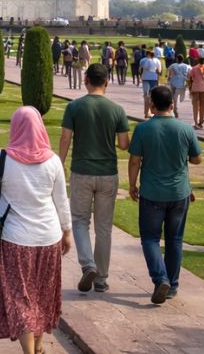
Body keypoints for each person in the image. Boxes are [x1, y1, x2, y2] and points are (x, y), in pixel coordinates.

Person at [0, 106, 72, 352]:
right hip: (48, 236)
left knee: (19, 297)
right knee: (43, 295)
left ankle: (30, 350)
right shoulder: (53, 161)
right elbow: (61, 200)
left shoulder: (1, 158)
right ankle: (38, 346)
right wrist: (67, 232)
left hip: (14, 238)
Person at [58, 63, 129, 294]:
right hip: (108, 173)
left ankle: (88, 264)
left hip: (82, 170)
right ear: (106, 82)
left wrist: (59, 163)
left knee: (79, 220)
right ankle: (101, 278)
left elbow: (66, 138)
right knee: (104, 227)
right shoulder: (117, 110)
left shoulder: (75, 106)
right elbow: (123, 144)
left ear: (86, 79)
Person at [128, 85, 202, 304]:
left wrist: (132, 185)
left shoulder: (143, 129)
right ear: (172, 105)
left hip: (152, 192)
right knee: (175, 239)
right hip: (179, 192)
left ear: (151, 105)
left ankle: (161, 278)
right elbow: (197, 158)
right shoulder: (185, 129)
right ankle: (172, 284)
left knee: (150, 238)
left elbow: (134, 160)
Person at [186, 55, 204, 129]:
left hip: (196, 88)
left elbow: (189, 77)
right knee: (203, 105)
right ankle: (201, 119)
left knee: (195, 105)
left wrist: (190, 87)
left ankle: (196, 121)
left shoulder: (194, 68)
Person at [165, 54, 190, 119]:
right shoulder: (186, 66)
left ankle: (174, 109)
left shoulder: (173, 65)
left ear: (177, 59)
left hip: (173, 82)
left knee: (174, 98)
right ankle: (175, 110)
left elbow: (169, 71)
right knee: (177, 98)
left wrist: (168, 77)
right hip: (181, 83)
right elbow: (189, 74)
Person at [138, 50, 161, 119]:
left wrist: (141, 76)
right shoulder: (157, 61)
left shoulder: (144, 60)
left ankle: (146, 112)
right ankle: (152, 111)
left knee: (146, 96)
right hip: (154, 78)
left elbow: (141, 69)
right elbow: (159, 71)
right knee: (153, 96)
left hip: (145, 78)